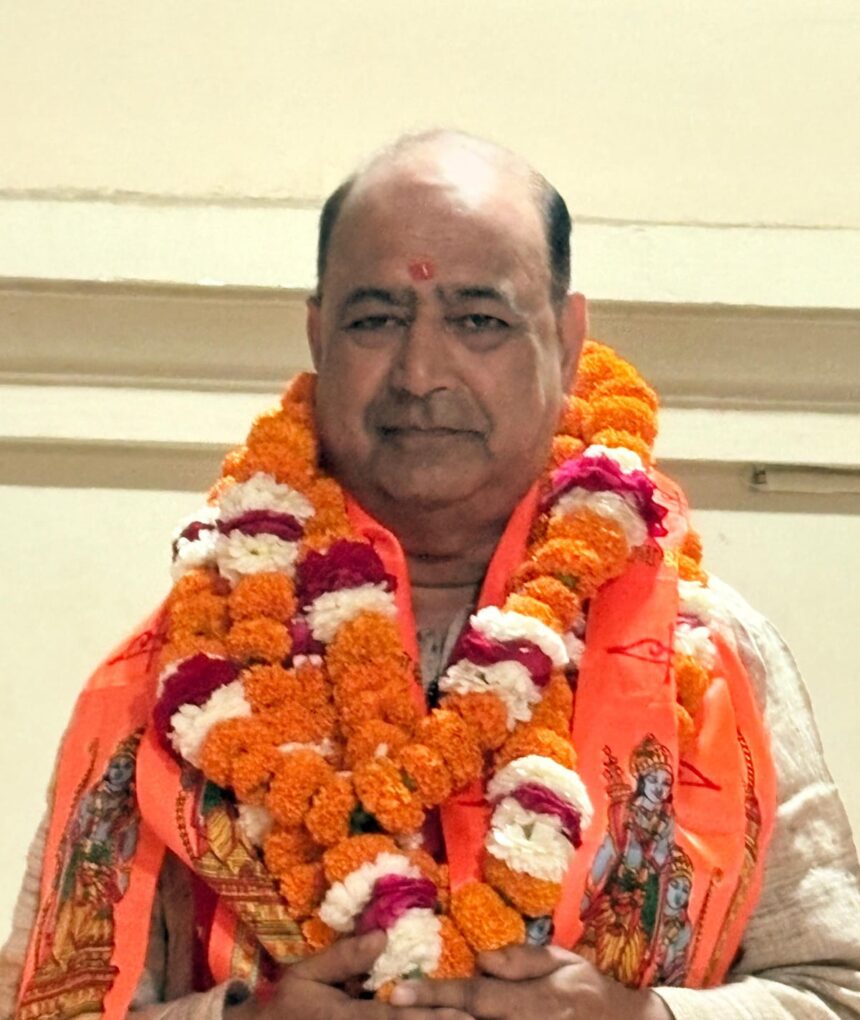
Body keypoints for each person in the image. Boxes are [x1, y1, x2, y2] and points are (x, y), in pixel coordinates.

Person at [3, 130, 860, 1020]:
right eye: (376, 319)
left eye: (478, 320)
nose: (420, 374)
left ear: (567, 339)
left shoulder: (711, 653)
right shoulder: (184, 669)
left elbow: (837, 989)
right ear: (318, 336)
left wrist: (643, 1019)